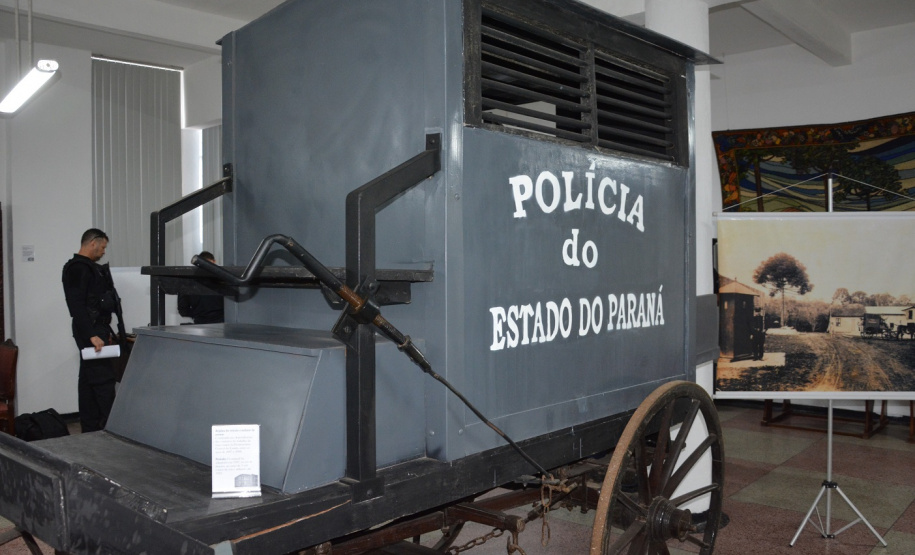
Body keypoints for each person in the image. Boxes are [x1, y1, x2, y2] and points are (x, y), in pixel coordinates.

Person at [62, 228, 121, 432]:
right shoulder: (78, 268)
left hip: (95, 328)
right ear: (93, 243)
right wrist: (92, 334)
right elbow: (76, 305)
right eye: (103, 247)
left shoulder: (88, 268)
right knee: (103, 379)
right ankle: (112, 428)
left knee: (88, 380)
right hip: (91, 329)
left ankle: (90, 428)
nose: (104, 251)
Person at [178, 251, 225, 324]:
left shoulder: (189, 283)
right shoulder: (223, 281)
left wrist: (197, 313)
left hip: (200, 325)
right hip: (222, 323)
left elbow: (183, 310)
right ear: (214, 262)